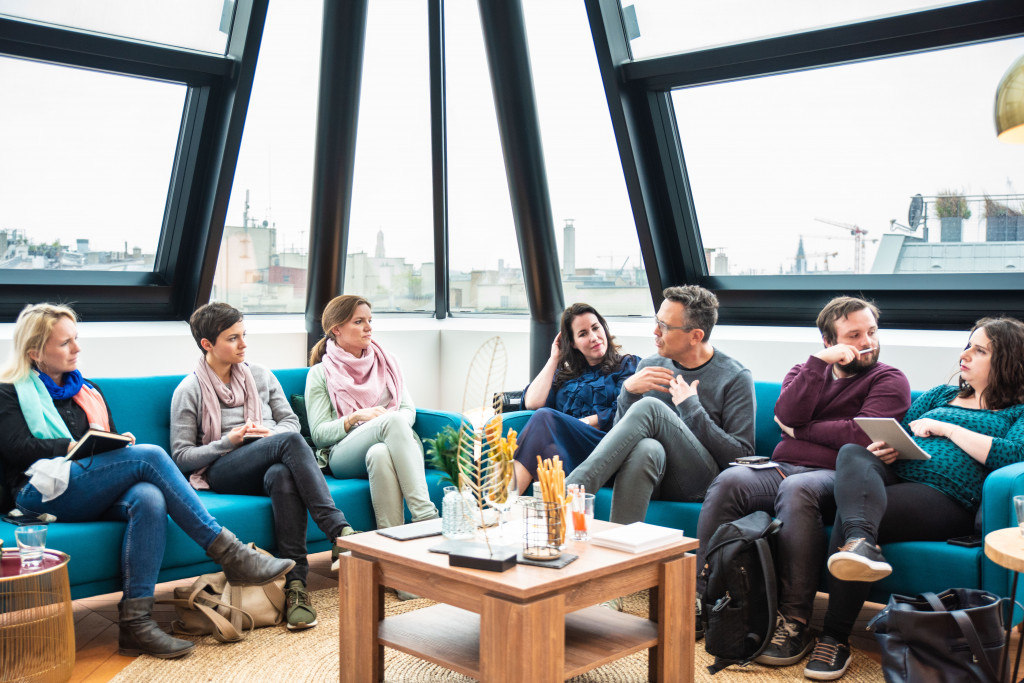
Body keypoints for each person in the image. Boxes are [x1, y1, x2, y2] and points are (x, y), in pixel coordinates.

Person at [0, 303, 293, 660]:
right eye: (65, 343)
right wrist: (75, 446)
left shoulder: (87, 390)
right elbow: (16, 448)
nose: (77, 348)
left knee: (149, 496)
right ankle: (232, 554)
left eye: (75, 339)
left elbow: (103, 447)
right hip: (37, 492)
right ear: (34, 352)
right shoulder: (9, 391)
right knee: (150, 455)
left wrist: (114, 442)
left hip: (85, 487)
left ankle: (135, 625)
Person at [694, 296, 911, 663]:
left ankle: (794, 620)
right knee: (731, 480)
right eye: (854, 335)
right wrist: (819, 364)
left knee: (798, 489)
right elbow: (787, 413)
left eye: (872, 332)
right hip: (783, 467)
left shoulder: (889, 379)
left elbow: (859, 435)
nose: (867, 342)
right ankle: (705, 597)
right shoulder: (804, 371)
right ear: (829, 342)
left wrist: (800, 431)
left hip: (839, 477)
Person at [809, 317, 1024, 681]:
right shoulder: (940, 394)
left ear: (1007, 360)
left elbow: (1011, 455)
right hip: (896, 475)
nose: (965, 355)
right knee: (853, 452)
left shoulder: (1018, 411)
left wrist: (946, 428)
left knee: (850, 514)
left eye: (979, 350)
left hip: (946, 496)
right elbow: (904, 431)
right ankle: (861, 543)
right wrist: (888, 448)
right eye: (968, 346)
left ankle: (834, 636)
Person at [170, 302, 356, 632]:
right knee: (291, 442)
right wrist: (228, 442)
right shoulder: (189, 390)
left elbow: (290, 422)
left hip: (273, 460)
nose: (243, 344)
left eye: (244, 335)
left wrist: (269, 435)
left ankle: (296, 586)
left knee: (283, 474)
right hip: (224, 469)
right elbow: (182, 457)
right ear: (207, 344)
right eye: (233, 338)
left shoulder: (260, 375)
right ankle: (338, 530)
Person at [565, 285, 756, 524]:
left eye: (664, 326)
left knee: (651, 408)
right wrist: (628, 393)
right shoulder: (649, 366)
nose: (655, 331)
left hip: (702, 483)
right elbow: (622, 438)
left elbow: (741, 457)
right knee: (647, 448)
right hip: (655, 472)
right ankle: (623, 543)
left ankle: (570, 491)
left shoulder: (735, 377)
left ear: (695, 336)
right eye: (657, 321)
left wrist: (691, 408)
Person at [305, 295, 438, 531]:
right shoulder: (320, 373)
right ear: (336, 329)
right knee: (392, 420)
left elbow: (407, 409)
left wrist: (392, 426)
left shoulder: (388, 362)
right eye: (358, 322)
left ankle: (390, 540)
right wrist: (355, 417)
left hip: (399, 441)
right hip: (345, 452)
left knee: (380, 453)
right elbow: (319, 434)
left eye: (369, 320)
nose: (368, 328)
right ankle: (426, 516)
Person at [511, 303, 640, 495]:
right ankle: (512, 507)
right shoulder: (565, 377)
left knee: (544, 417)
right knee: (546, 447)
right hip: (572, 453)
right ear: (572, 343)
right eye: (583, 334)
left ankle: (503, 501)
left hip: (608, 448)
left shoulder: (629, 365)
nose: (594, 337)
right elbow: (532, 403)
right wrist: (554, 358)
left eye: (596, 328)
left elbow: (626, 411)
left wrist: (580, 423)